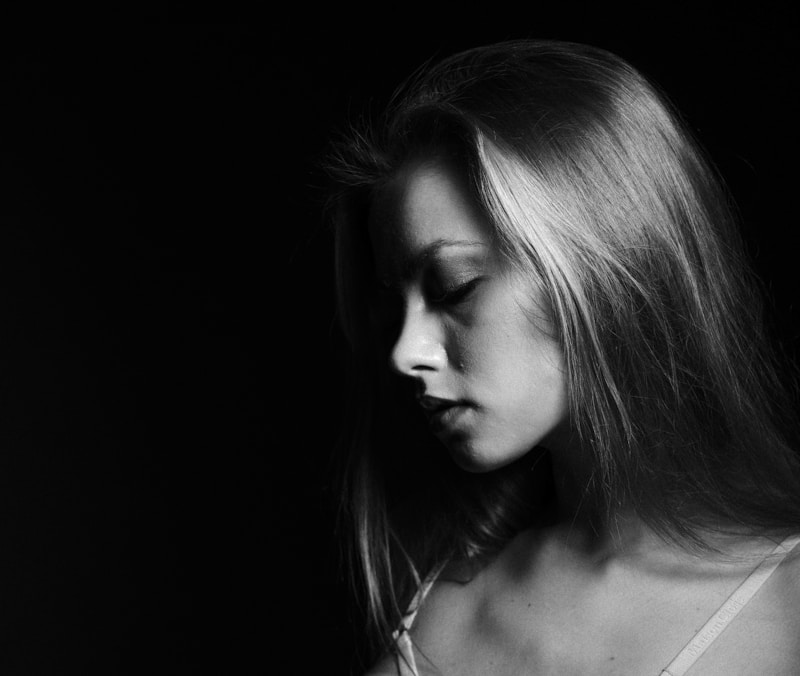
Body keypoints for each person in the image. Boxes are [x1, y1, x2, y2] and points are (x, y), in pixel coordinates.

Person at [324, 39, 800, 675]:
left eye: (453, 287)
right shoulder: (443, 607)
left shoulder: (785, 609)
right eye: (397, 307)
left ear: (599, 264)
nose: (406, 352)